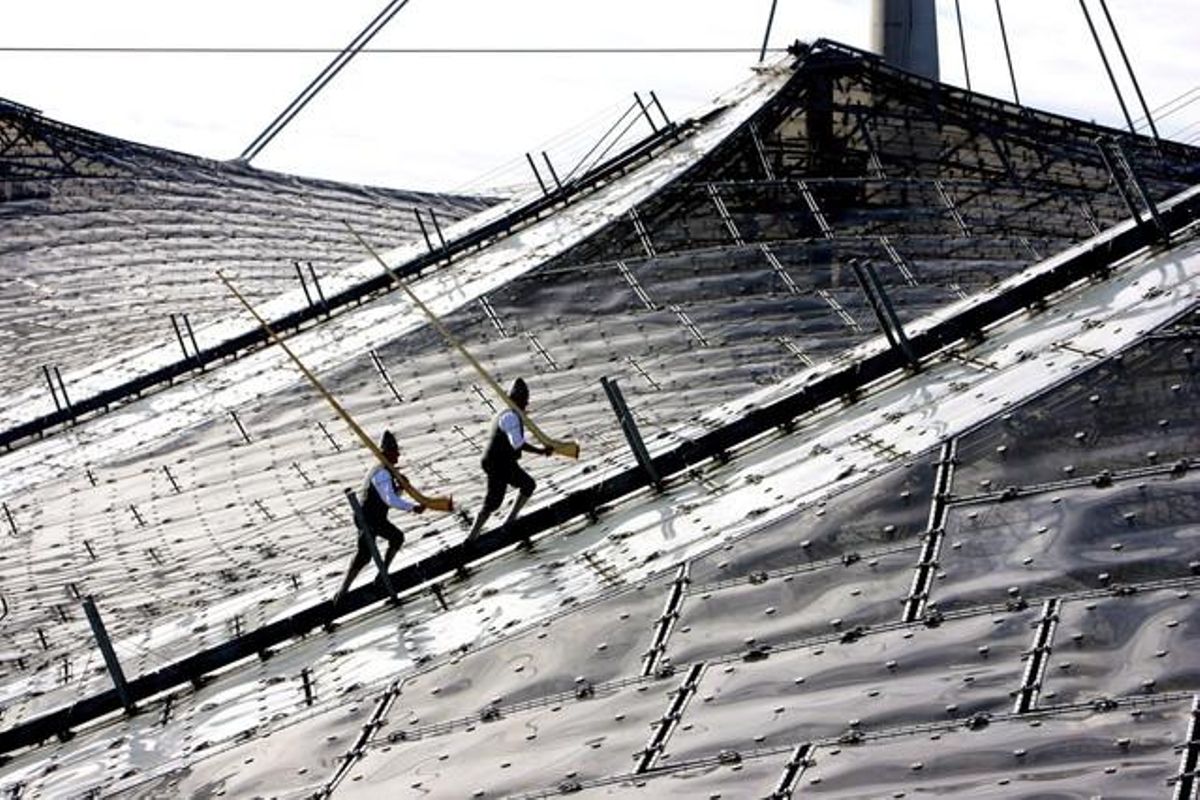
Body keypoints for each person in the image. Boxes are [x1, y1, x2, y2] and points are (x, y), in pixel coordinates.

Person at [331, 430, 424, 607]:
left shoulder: (384, 471)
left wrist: (402, 487)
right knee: (390, 541)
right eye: (395, 450)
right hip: (370, 518)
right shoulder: (382, 473)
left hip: (372, 517)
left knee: (368, 553)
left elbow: (388, 496)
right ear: (386, 452)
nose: (398, 454)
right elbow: (390, 499)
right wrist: (413, 507)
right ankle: (356, 587)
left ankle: (347, 589)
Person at [465, 378, 551, 542]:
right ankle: (475, 536)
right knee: (501, 498)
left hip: (498, 461)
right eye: (524, 401)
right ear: (515, 400)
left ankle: (477, 534)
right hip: (499, 463)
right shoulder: (511, 417)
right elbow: (516, 443)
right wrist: (540, 451)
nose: (526, 405)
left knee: (514, 491)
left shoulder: (505, 414)